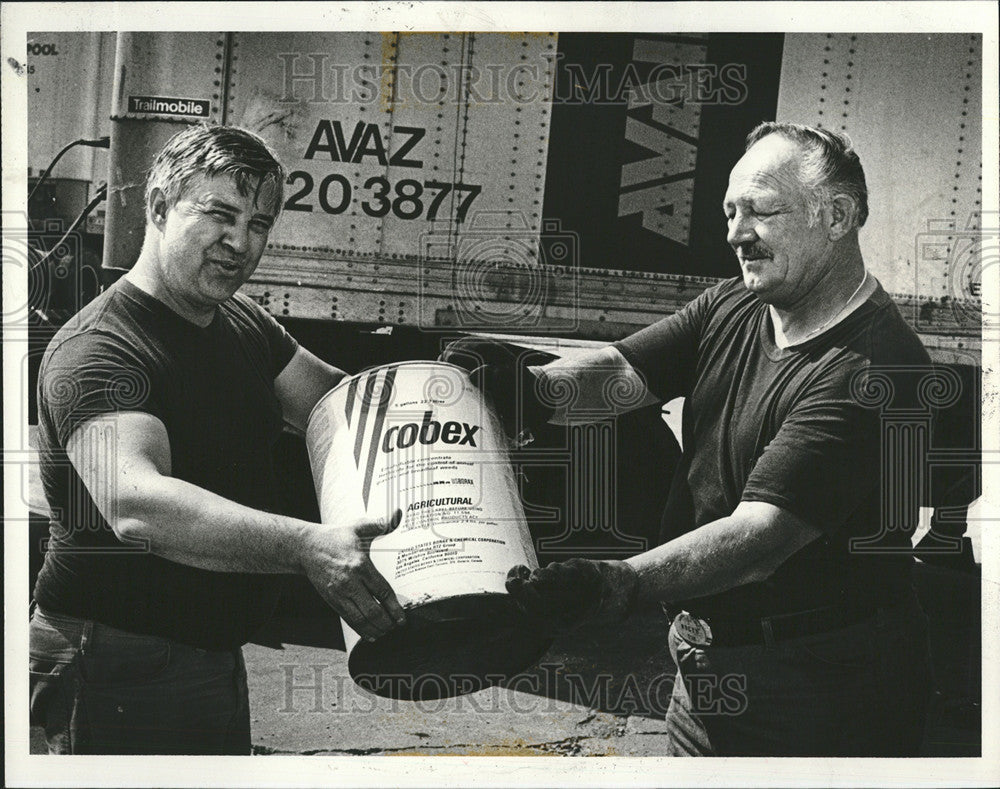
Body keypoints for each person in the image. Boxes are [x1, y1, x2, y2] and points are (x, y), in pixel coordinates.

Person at [448, 122, 935, 756]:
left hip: (822, 686)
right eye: (730, 212)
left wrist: (615, 582)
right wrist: (530, 389)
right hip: (705, 664)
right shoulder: (734, 306)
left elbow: (760, 539)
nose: (735, 234)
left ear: (837, 216)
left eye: (760, 211)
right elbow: (623, 374)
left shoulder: (877, 368)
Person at [30, 124, 405, 754]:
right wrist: (307, 545)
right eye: (218, 215)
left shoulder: (240, 319)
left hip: (209, 656)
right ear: (156, 208)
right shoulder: (99, 350)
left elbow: (339, 403)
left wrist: (456, 399)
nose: (240, 242)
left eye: (259, 223)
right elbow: (137, 505)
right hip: (112, 657)